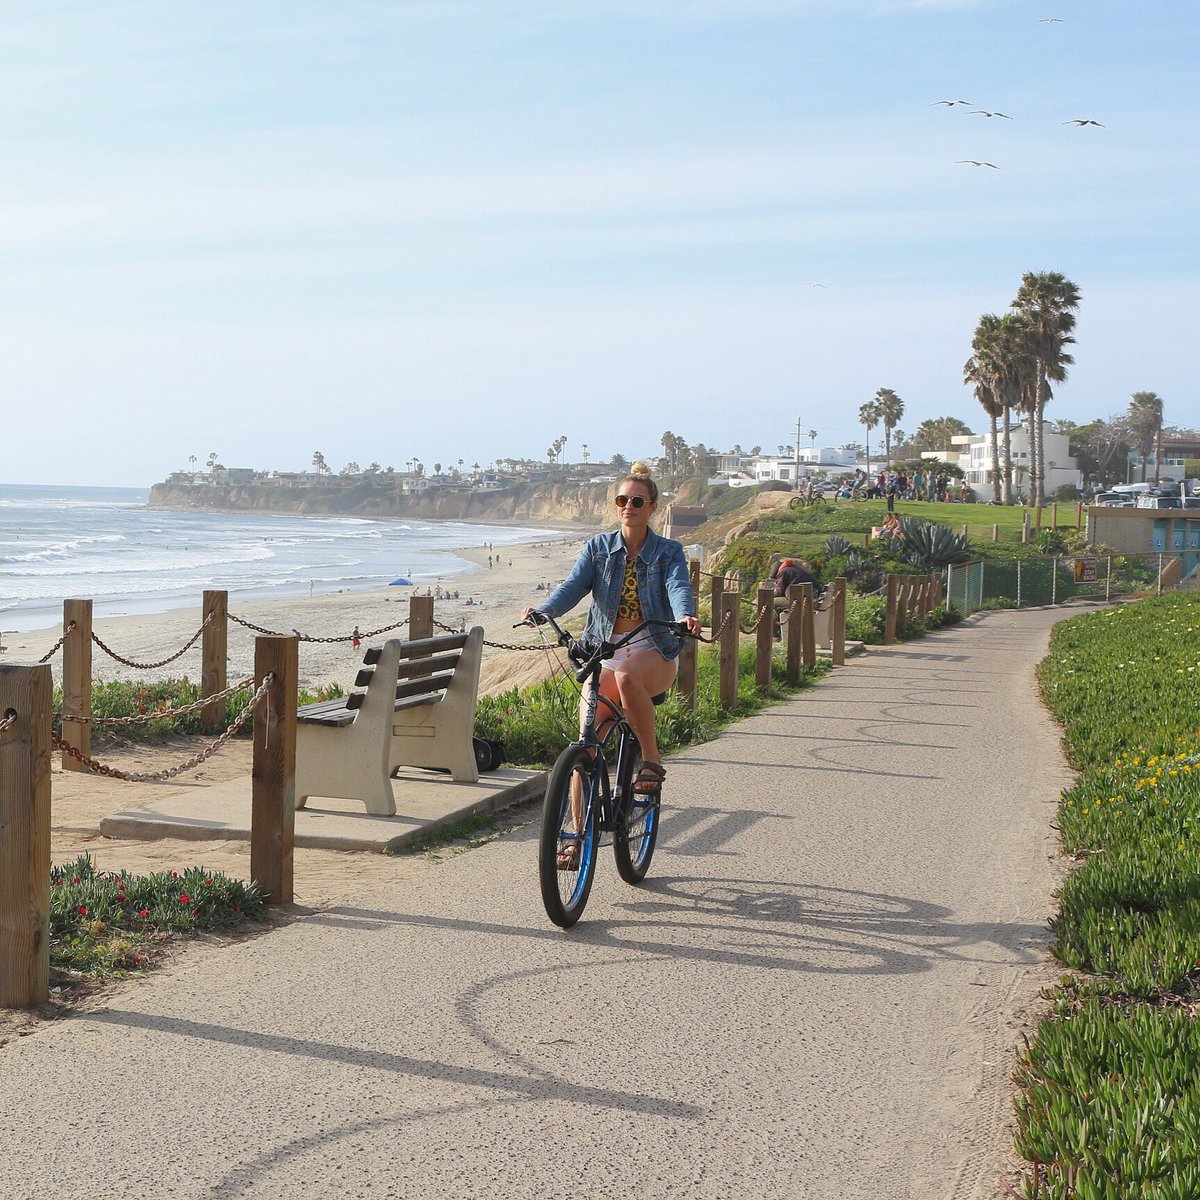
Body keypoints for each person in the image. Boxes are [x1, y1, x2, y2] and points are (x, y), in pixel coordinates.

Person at [523, 462, 701, 867]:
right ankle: (574, 837)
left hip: (653, 647)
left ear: (652, 507)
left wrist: (686, 615)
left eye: (637, 501)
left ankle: (652, 761)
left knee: (624, 676)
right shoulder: (598, 548)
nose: (629, 506)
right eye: (622, 500)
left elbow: (678, 586)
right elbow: (572, 587)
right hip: (602, 647)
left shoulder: (668, 551)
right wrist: (543, 611)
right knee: (584, 741)